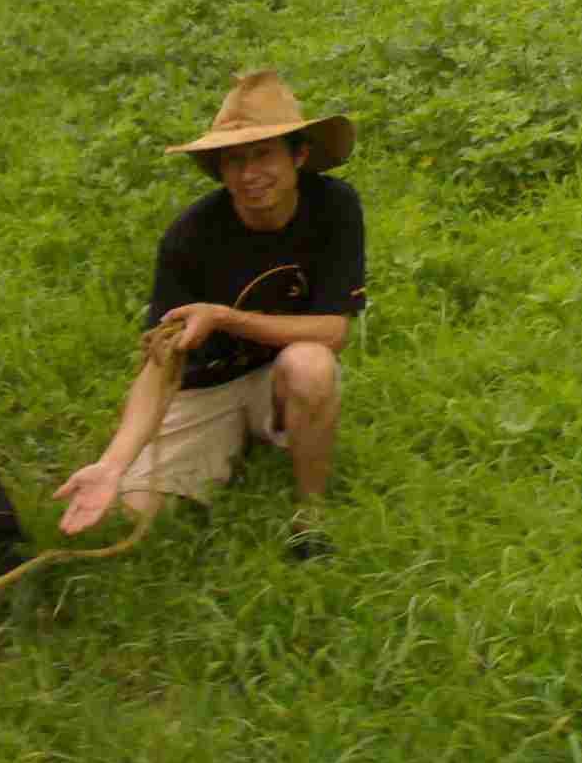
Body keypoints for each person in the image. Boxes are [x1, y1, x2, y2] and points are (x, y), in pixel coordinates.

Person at [53, 69, 365, 559]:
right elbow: (162, 362)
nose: (249, 174)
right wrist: (112, 463)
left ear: (299, 155)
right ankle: (225, 444)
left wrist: (223, 317)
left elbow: (333, 330)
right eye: (234, 160)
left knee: (311, 365)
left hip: (279, 376)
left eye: (263, 154)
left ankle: (310, 515)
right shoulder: (190, 236)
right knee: (133, 511)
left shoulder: (336, 207)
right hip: (206, 387)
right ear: (219, 170)